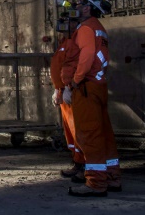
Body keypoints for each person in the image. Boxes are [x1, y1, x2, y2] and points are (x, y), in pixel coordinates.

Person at [61, 0, 121, 197]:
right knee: (104, 135)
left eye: (80, 4)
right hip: (98, 85)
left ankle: (95, 183)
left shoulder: (86, 28)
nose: (76, 7)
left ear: (88, 8)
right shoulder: (99, 28)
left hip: (86, 87)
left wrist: (75, 81)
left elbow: (85, 58)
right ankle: (112, 177)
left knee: (90, 135)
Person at [50, 10, 85, 181]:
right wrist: (57, 88)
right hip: (63, 90)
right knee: (70, 131)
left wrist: (68, 87)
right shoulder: (64, 40)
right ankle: (77, 161)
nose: (62, 25)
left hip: (71, 90)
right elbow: (59, 66)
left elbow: (73, 66)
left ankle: (85, 165)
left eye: (67, 22)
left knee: (78, 129)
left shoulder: (75, 41)